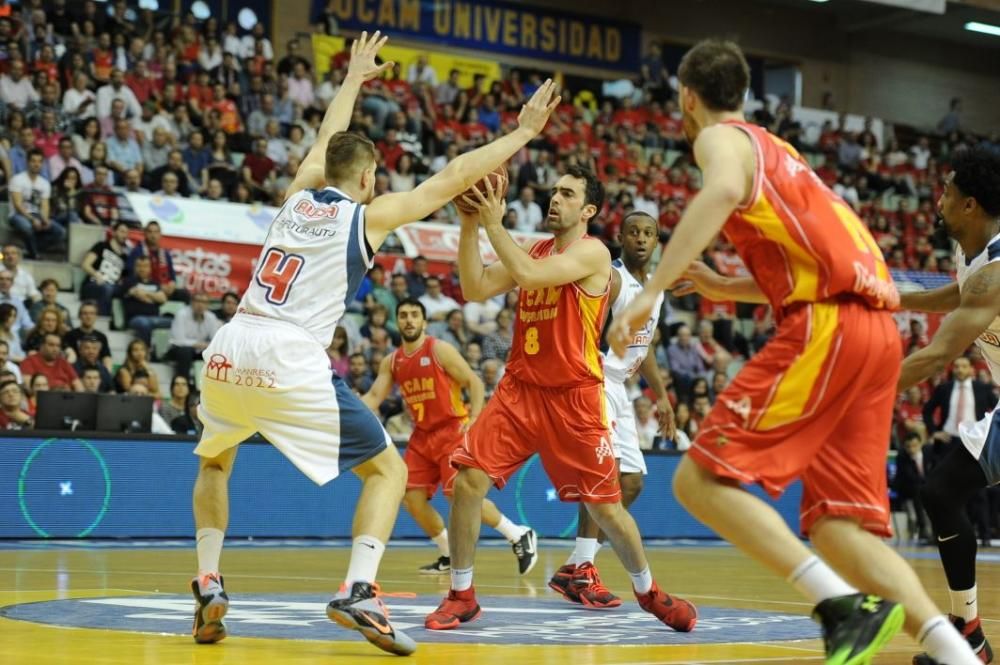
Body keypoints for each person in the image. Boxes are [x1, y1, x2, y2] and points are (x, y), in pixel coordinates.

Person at [608, 39, 979, 665]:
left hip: (831, 328)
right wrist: (727, 286)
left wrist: (651, 295)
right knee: (837, 525)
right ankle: (958, 656)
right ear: (746, 92)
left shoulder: (722, 140)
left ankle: (839, 605)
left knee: (698, 480)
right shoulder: (782, 153)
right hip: (876, 331)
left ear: (687, 97)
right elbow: (809, 263)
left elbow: (721, 187)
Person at [189, 31, 559, 655]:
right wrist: (522, 135)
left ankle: (207, 580)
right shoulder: (366, 216)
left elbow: (323, 142)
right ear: (366, 176)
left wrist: (354, 79)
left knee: (215, 461)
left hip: (230, 344)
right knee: (388, 469)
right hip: (287, 352)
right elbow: (451, 176)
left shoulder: (295, 196)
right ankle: (360, 589)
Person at [426, 164, 696, 633]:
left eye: (567, 194)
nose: (555, 199)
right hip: (520, 391)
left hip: (575, 397)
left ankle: (649, 592)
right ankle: (461, 594)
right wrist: (470, 226)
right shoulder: (535, 249)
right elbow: (474, 287)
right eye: (553, 192)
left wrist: (493, 221)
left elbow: (529, 276)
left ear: (588, 210)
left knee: (607, 506)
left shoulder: (593, 252)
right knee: (468, 482)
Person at [895, 146, 1000, 664]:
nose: (937, 201)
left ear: (970, 206)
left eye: (947, 193)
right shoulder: (971, 258)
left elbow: (938, 353)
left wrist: (855, 390)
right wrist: (895, 297)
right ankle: (971, 634)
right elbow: (958, 296)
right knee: (941, 491)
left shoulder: (997, 268)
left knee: (942, 490)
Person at [549, 211, 672, 608]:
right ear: (620, 237)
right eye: (633, 232)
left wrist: (662, 395)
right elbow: (582, 329)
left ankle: (578, 565)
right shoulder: (613, 278)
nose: (640, 238)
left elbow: (643, 344)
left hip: (619, 386)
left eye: (648, 233)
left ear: (656, 242)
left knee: (632, 482)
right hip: (595, 379)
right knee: (605, 478)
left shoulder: (655, 287)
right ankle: (582, 570)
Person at [362, 298, 535, 575]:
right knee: (411, 500)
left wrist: (476, 418)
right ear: (397, 321)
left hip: (451, 430)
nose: (409, 320)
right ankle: (447, 552)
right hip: (422, 437)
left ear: (424, 321)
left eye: (414, 315)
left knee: (460, 497)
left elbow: (474, 382)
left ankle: (517, 534)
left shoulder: (439, 349)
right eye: (403, 315)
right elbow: (372, 397)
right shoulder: (391, 361)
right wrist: (342, 414)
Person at [8, 148, 65, 258]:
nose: (36, 164)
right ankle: (34, 254)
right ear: (28, 162)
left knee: (60, 232)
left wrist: (44, 219)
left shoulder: (44, 183)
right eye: (33, 161)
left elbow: (45, 205)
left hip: (37, 216)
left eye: (39, 161)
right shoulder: (17, 179)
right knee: (27, 227)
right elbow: (18, 205)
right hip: (18, 215)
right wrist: (32, 219)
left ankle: (29, 248)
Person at [80, 221, 130, 315]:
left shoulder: (125, 257)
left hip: (112, 286)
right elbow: (85, 264)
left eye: (126, 232)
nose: (125, 235)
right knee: (106, 288)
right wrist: (96, 275)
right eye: (122, 231)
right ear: (114, 232)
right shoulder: (101, 246)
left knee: (128, 292)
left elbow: (122, 278)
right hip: (93, 284)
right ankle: (103, 320)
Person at [167, 293, 221, 380]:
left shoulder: (211, 317)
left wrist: (205, 346)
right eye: (198, 301)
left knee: (218, 354)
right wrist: (196, 344)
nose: (200, 305)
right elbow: (178, 340)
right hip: (178, 349)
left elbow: (216, 340)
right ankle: (184, 382)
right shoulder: (181, 314)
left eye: (204, 302)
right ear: (191, 302)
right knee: (185, 352)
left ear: (207, 305)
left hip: (200, 350)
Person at [119, 255, 170, 344]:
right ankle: (146, 351)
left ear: (150, 268)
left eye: (145, 266)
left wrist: (146, 293)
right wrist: (154, 297)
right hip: (136, 319)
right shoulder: (128, 281)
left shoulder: (155, 283)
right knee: (144, 323)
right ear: (135, 267)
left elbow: (163, 299)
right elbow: (139, 294)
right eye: (139, 266)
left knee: (176, 323)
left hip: (155, 318)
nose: (142, 269)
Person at [65, 301, 113, 371]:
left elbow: (106, 357)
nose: (88, 316)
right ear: (79, 316)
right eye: (85, 313)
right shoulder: (70, 335)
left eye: (92, 313)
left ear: (96, 316)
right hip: (76, 371)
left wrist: (107, 373)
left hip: (96, 372)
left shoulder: (101, 337)